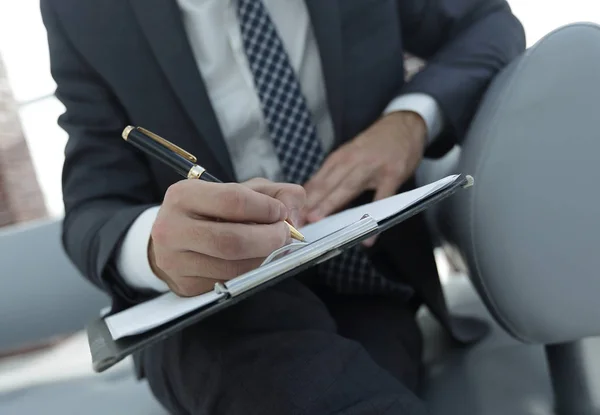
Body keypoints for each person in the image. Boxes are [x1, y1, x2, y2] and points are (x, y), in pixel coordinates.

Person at [41, 0, 525, 413]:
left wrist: (410, 120)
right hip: (207, 309)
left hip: (365, 280)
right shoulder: (82, 10)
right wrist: (156, 247)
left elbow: (487, 23)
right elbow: (93, 205)